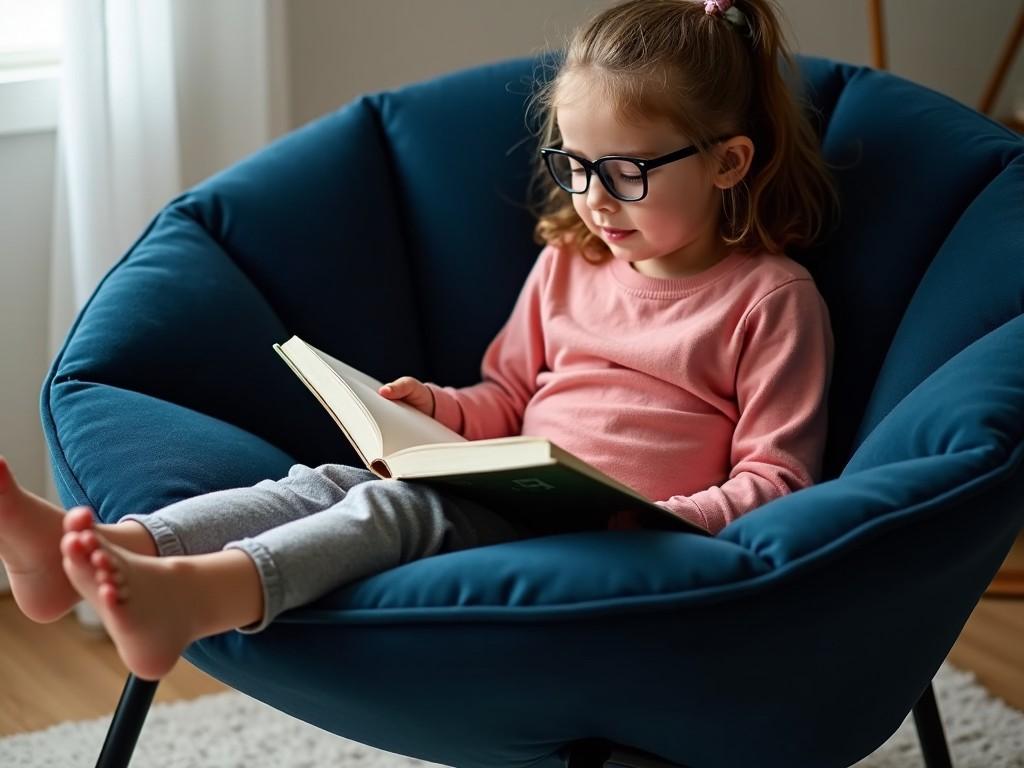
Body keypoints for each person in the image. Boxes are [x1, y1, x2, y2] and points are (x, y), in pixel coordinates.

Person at [0, 0, 835, 682]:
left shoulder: (769, 300)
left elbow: (778, 476)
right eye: (573, 166)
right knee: (323, 480)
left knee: (394, 511)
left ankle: (196, 598)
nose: (595, 200)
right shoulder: (569, 265)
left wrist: (657, 521)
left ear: (727, 163)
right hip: (520, 487)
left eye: (625, 173)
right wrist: (434, 407)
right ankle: (116, 546)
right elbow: (508, 397)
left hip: (603, 544)